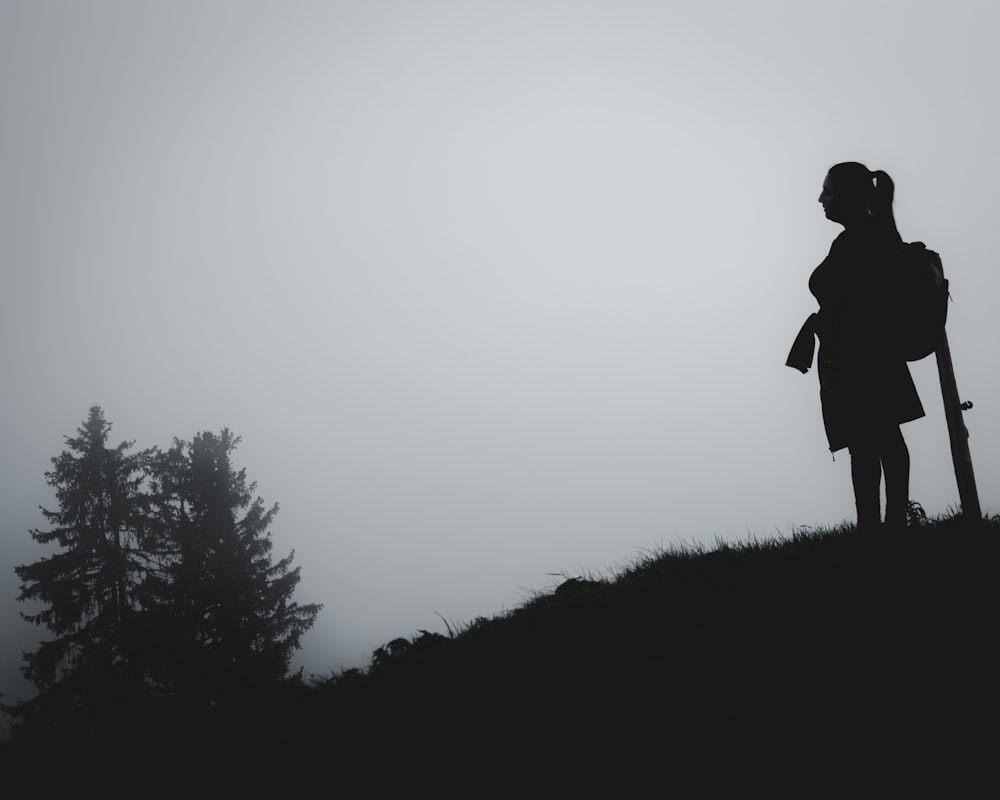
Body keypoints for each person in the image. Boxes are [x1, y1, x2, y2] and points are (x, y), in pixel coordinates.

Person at [789, 162, 925, 531]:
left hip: (860, 357)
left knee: (871, 442)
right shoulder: (869, 235)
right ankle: (887, 523)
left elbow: (859, 304)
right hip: (867, 354)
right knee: (878, 439)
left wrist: (839, 353)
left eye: (828, 191)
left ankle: (881, 527)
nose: (821, 198)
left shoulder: (861, 239)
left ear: (848, 196)